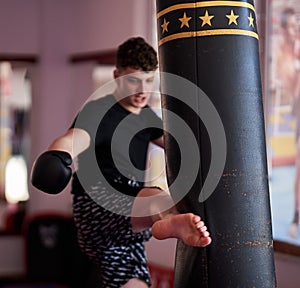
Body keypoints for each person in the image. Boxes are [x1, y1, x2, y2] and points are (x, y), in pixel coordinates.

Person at [31, 37, 211, 288]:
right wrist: (57, 155)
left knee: (136, 284)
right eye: (133, 81)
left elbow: (175, 147)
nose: (142, 91)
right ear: (116, 76)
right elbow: (75, 138)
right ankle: (164, 220)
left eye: (149, 81)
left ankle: (166, 223)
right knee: (155, 197)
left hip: (130, 228)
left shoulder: (147, 117)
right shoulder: (98, 112)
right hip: (98, 207)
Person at [274, 7, 300, 238]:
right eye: (289, 26)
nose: (293, 31)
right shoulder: (286, 54)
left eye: (295, 26)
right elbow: (291, 85)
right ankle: (296, 215)